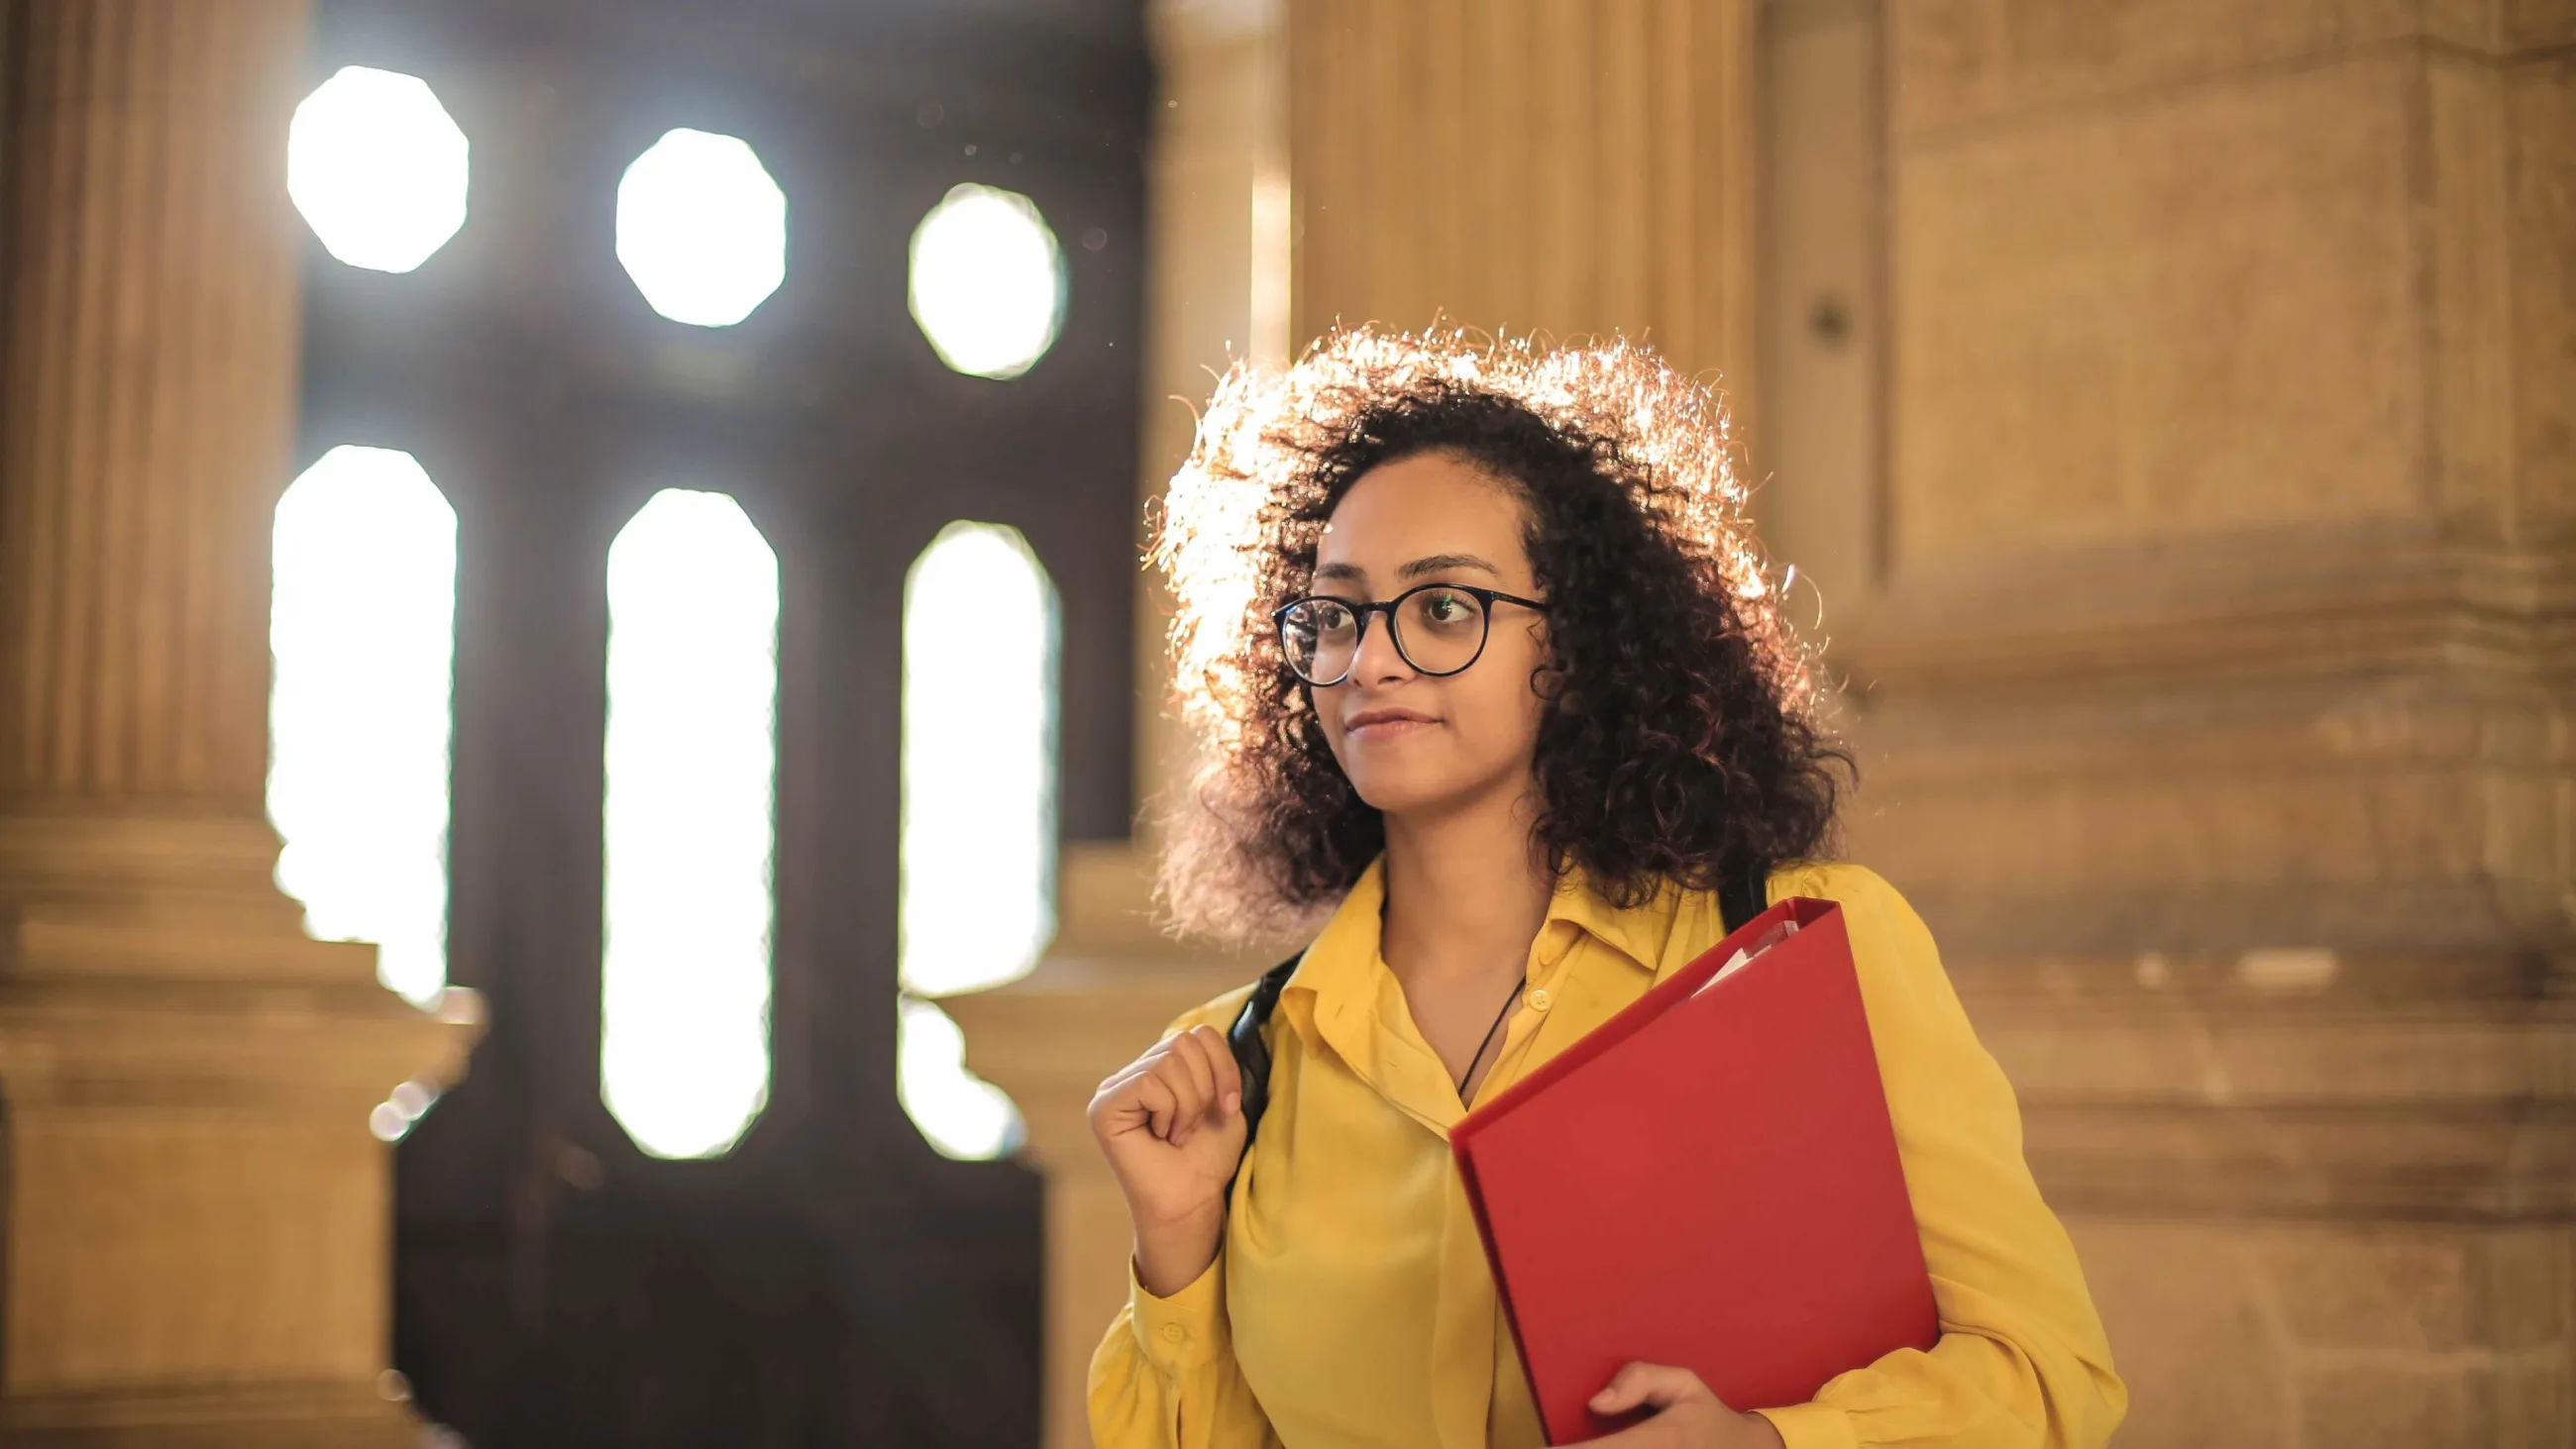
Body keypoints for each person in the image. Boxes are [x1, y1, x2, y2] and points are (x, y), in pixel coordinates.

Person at [1085, 328, 2124, 1449]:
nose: (1369, 661)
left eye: (1443, 607)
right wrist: (1177, 1245)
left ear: (1573, 645)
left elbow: (2046, 1379)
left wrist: (1769, 1442)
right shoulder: (1241, 1067)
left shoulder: (1798, 949)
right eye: (1333, 616)